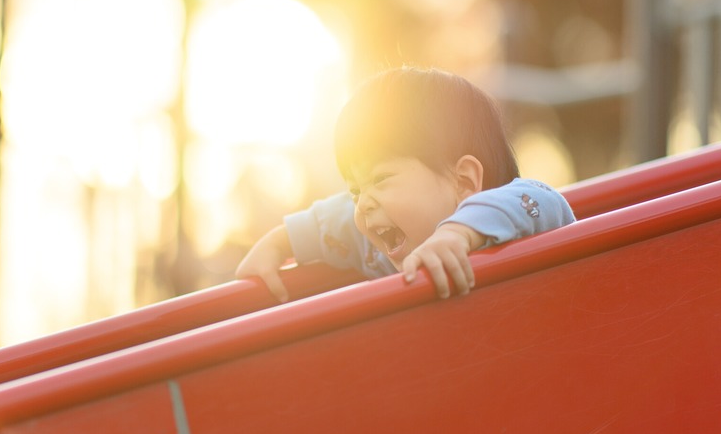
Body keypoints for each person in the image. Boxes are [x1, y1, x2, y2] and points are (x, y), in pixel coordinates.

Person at [236, 66, 575, 302]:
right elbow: (338, 221)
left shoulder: (523, 220)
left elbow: (540, 200)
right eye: (357, 190)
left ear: (464, 182)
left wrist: (457, 233)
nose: (364, 203)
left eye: (380, 179)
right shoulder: (384, 254)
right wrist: (280, 243)